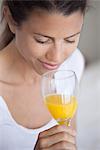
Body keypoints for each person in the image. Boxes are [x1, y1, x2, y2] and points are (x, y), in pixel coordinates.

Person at [0, 0, 87, 149]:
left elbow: (68, 138)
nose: (57, 58)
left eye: (70, 39)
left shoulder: (73, 64)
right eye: (42, 40)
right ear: (11, 20)